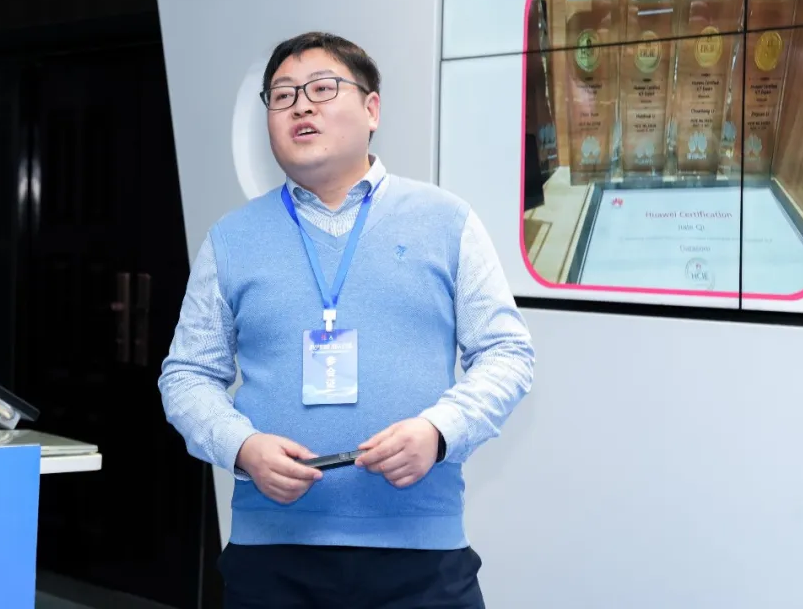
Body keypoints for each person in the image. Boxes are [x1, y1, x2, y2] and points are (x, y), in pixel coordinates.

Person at [158, 31, 535, 608]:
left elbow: (507, 353)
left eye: (322, 88)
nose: (300, 106)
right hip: (273, 556)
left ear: (371, 108)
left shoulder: (446, 220)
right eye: (282, 95)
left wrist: (439, 432)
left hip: (421, 557)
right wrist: (242, 446)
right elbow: (186, 374)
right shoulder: (231, 239)